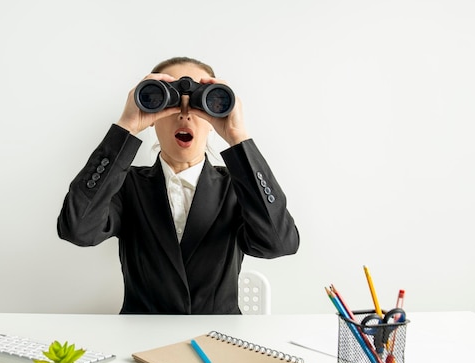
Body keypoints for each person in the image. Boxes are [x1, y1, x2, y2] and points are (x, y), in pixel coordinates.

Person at [57, 57, 299, 314]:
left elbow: (279, 243)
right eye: (171, 102)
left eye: (200, 105)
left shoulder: (237, 187)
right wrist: (125, 127)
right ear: (152, 116)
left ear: (214, 118)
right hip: (139, 340)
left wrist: (238, 137)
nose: (184, 114)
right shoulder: (127, 186)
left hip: (218, 340)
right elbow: (77, 229)